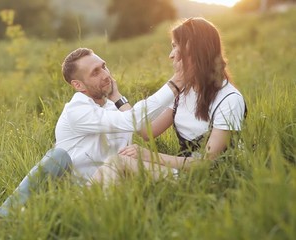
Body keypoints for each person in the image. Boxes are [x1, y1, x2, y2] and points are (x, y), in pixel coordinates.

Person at [0, 47, 184, 217]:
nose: (105, 74)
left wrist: (117, 96)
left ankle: (186, 182)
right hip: (82, 195)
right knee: (60, 156)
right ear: (78, 85)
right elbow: (132, 120)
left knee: (121, 164)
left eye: (104, 66)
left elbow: (142, 128)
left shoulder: (111, 106)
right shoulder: (77, 110)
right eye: (95, 72)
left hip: (119, 186)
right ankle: (5, 216)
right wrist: (175, 84)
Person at [92, 17, 247, 182]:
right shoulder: (184, 92)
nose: (170, 55)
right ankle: (88, 199)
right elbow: (146, 131)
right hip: (182, 171)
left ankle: (89, 201)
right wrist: (116, 96)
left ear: (192, 50)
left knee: (118, 162)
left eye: (174, 46)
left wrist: (150, 156)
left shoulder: (229, 99)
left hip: (209, 178)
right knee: (113, 165)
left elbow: (207, 163)